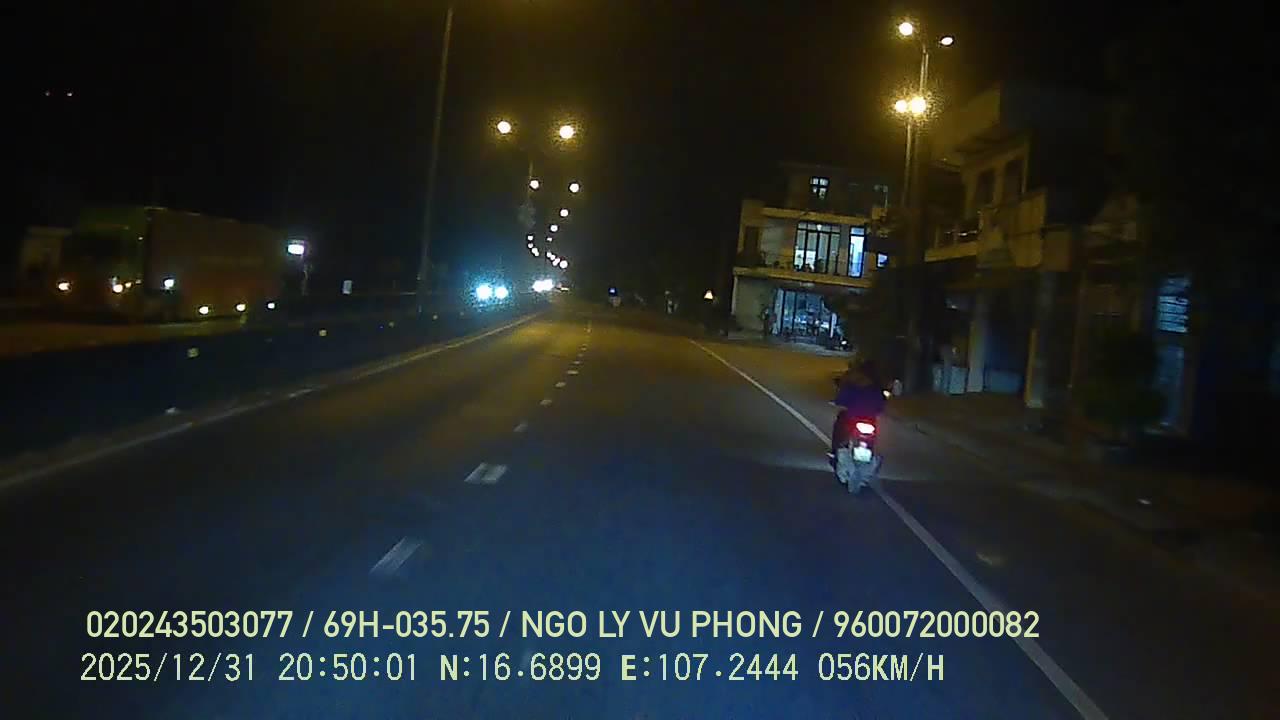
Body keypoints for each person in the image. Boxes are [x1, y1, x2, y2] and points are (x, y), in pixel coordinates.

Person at [831, 355, 886, 456]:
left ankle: (835, 450)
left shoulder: (853, 386)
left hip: (852, 418)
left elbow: (840, 400)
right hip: (869, 419)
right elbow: (881, 408)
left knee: (840, 422)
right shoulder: (876, 389)